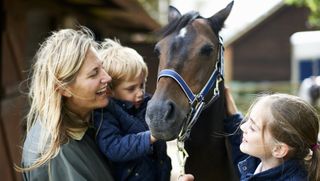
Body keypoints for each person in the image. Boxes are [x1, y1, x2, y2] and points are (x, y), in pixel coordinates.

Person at [18, 27, 115, 180]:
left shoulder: (87, 123)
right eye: (94, 73)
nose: (107, 77)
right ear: (64, 89)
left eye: (102, 67)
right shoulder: (57, 151)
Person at [180, 88, 320, 181]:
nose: (243, 127)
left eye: (252, 127)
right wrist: (234, 116)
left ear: (279, 149)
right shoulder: (264, 162)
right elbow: (240, 149)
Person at [93, 39, 172, 181]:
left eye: (142, 85)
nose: (140, 92)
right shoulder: (105, 114)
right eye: (131, 88)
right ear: (110, 90)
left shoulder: (146, 104)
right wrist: (151, 136)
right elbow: (114, 147)